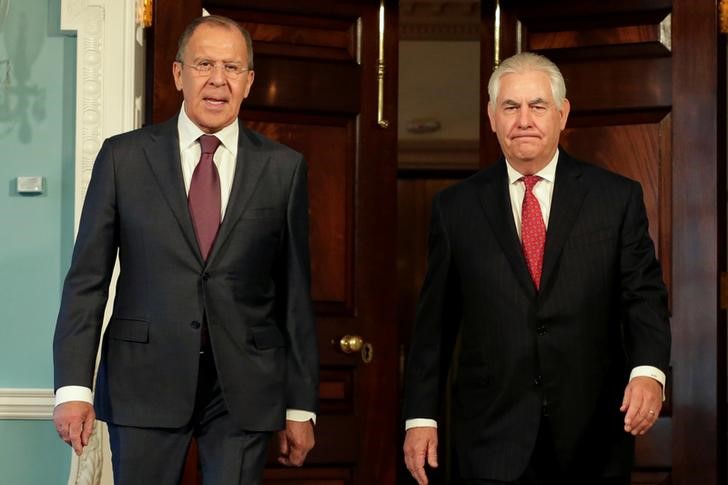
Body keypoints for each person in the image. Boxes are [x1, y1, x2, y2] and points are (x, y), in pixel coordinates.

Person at [52, 15, 319, 485]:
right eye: (204, 64)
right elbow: (87, 280)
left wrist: (300, 404)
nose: (218, 79)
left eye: (232, 67)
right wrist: (74, 387)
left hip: (245, 388)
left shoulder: (284, 169)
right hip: (144, 379)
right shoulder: (123, 157)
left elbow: (295, 294)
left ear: (249, 82)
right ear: (179, 75)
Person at [402, 52, 670, 485]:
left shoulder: (615, 199)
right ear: (491, 117)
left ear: (562, 114)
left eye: (537, 106)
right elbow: (434, 325)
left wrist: (648, 372)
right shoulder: (455, 208)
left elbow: (643, 296)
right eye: (510, 107)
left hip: (593, 438)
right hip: (491, 437)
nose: (523, 119)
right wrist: (419, 417)